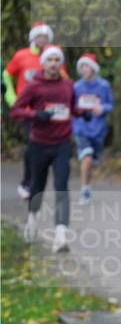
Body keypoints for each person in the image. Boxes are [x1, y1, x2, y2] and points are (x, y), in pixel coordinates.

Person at [10, 45, 92, 252]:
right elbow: (16, 111)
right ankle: (32, 219)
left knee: (62, 187)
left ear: (61, 64)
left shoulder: (67, 85)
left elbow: (71, 107)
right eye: (50, 60)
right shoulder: (33, 86)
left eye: (57, 60)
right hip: (39, 144)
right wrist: (36, 115)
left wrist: (83, 113)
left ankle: (61, 236)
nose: (54, 64)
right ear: (43, 63)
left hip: (62, 144)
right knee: (38, 186)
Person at [4, 22, 60, 200]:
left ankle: (40, 182)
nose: (42, 40)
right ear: (32, 38)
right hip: (28, 111)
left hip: (49, 111)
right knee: (32, 144)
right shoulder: (22, 56)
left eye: (45, 37)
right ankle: (27, 182)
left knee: (47, 147)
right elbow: (6, 75)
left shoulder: (54, 57)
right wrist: (12, 99)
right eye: (39, 37)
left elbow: (64, 80)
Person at [72, 53, 114, 205]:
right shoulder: (76, 87)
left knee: (92, 162)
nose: (85, 69)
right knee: (87, 158)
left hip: (98, 129)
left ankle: (87, 185)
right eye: (82, 66)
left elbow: (110, 104)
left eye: (87, 65)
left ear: (94, 68)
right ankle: (84, 191)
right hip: (81, 128)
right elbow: (71, 106)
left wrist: (102, 108)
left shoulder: (103, 86)